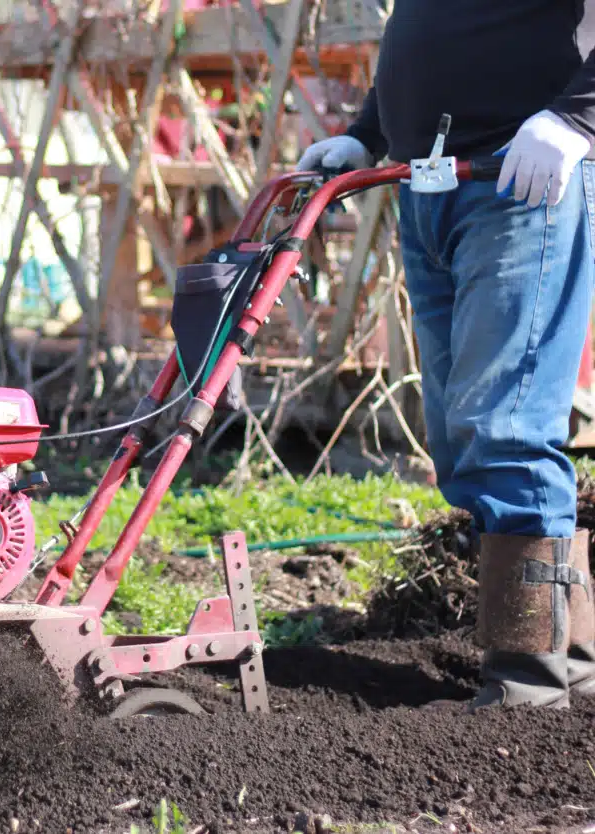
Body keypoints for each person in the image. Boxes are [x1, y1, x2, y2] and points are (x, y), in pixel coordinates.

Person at [296, 1, 595, 710]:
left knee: (506, 429)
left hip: (522, 183)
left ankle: (529, 684)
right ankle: (573, 659)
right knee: (461, 439)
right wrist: (367, 133)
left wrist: (577, 117)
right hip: (429, 185)